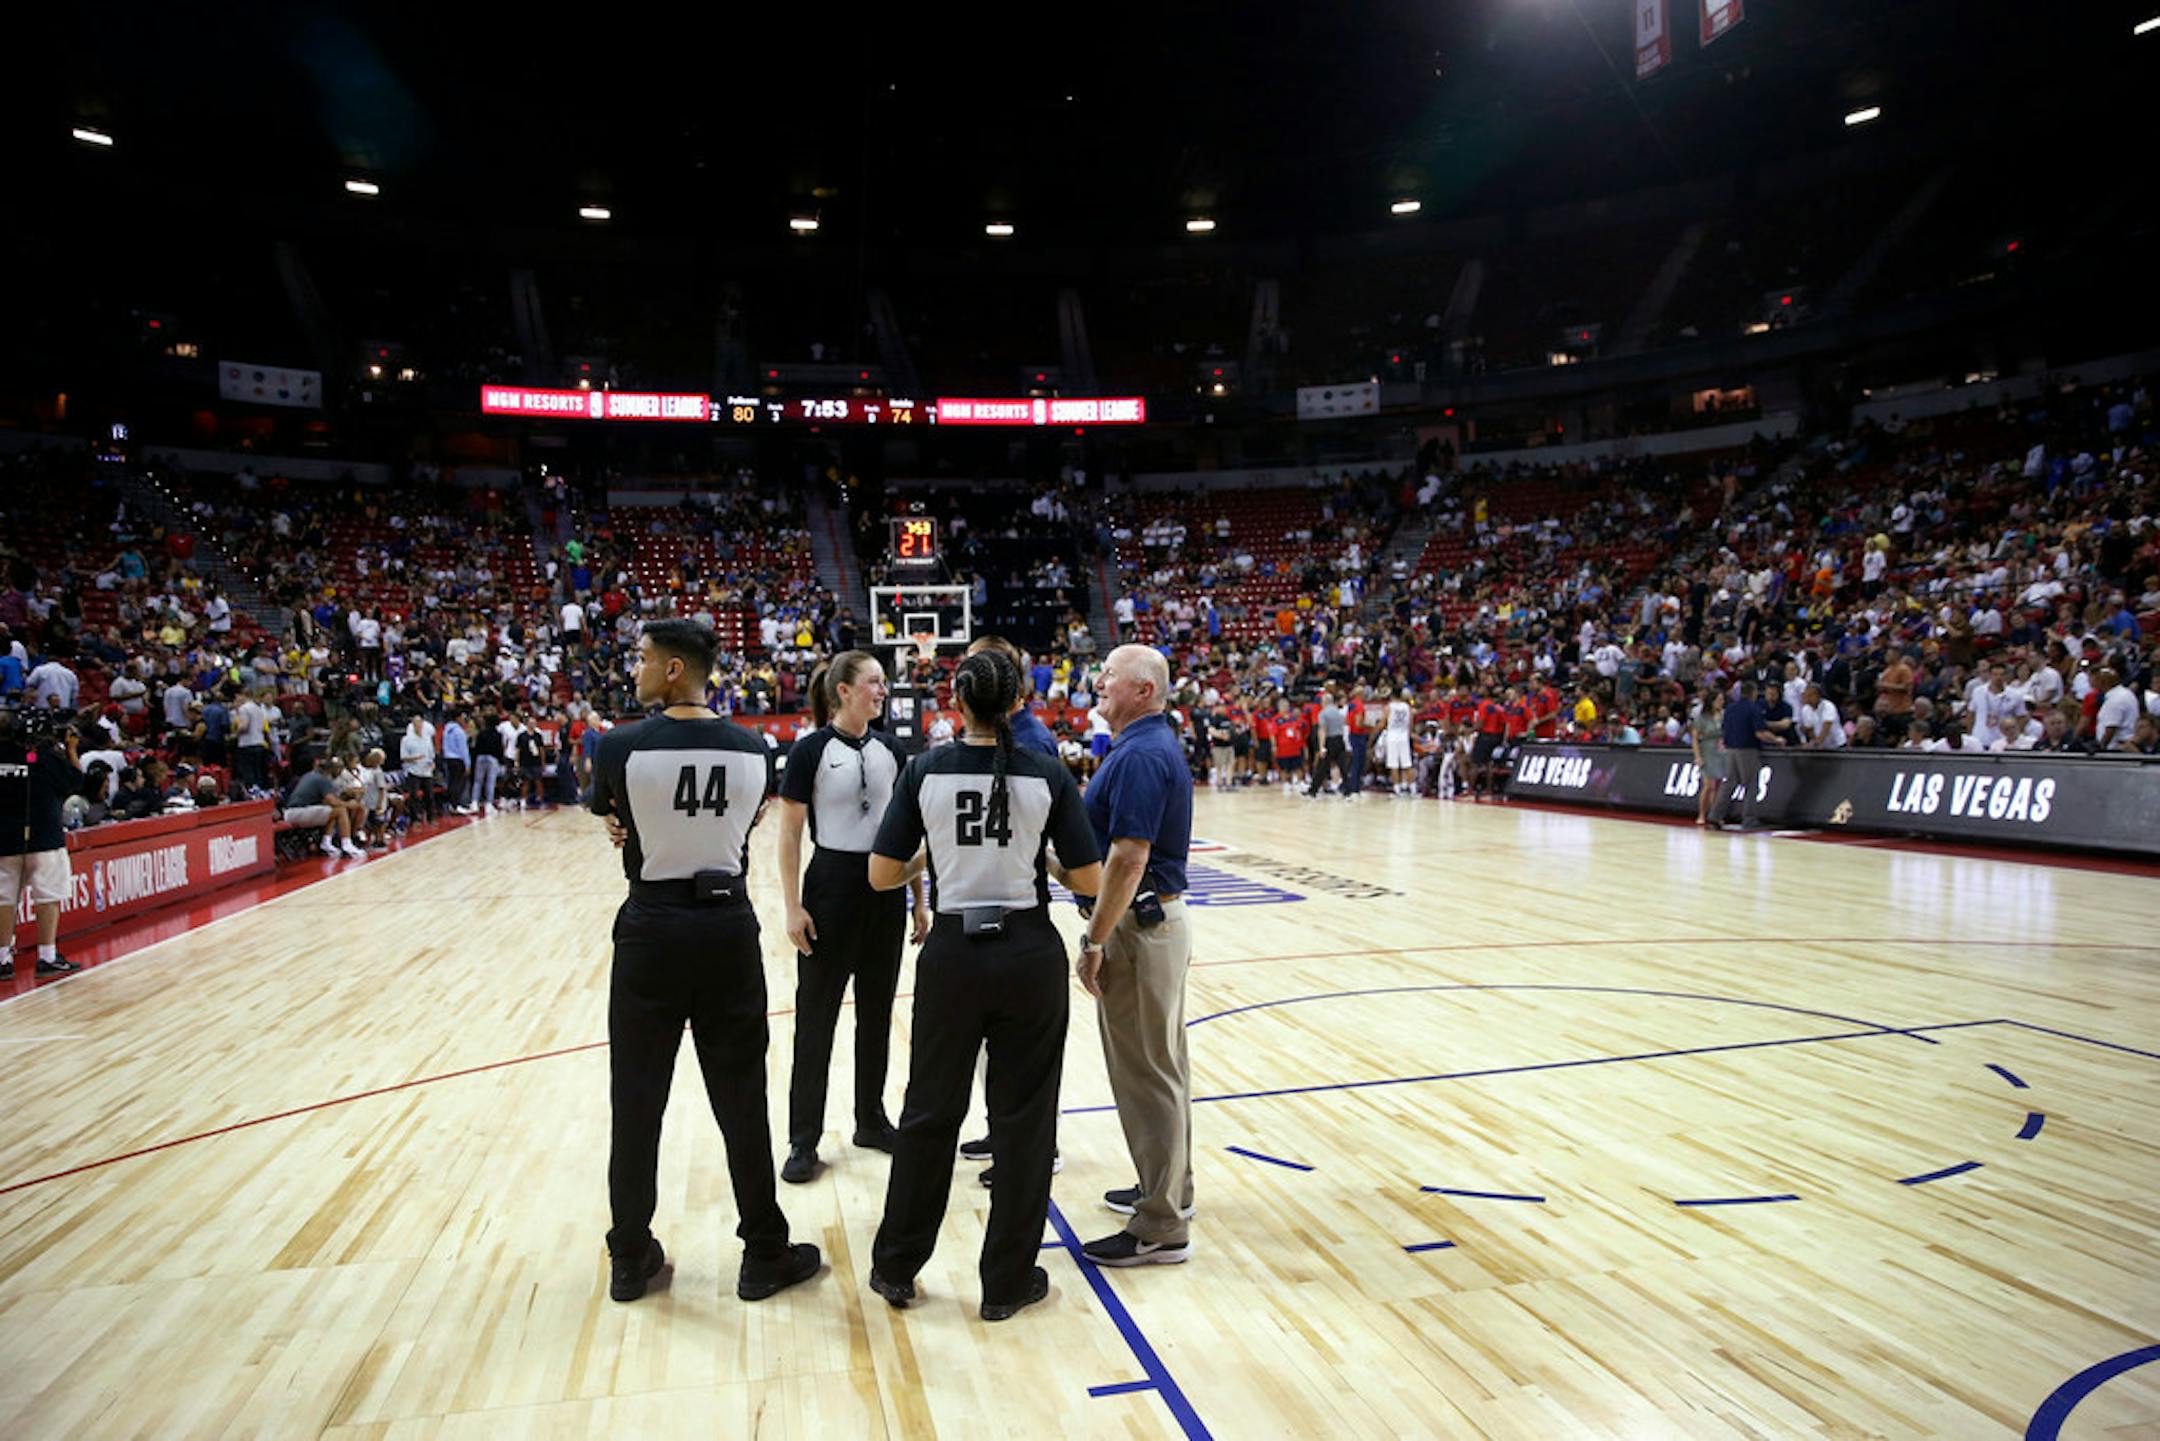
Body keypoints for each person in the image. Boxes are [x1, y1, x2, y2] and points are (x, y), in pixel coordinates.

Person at [864, 649, 1103, 1321]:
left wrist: (937, 854)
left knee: (929, 1113)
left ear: (956, 700)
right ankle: (1005, 1283)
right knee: (1024, 1123)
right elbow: (1089, 880)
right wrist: (1038, 858)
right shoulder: (1048, 774)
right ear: (1019, 700)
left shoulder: (924, 770)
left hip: (951, 957)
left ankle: (896, 1266)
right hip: (1029, 954)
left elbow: (882, 876)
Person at [588, 619, 822, 1305]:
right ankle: (763, 1252)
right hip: (725, 926)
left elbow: (613, 816)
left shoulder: (620, 745)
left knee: (636, 1099)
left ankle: (630, 1255)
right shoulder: (754, 747)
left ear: (671, 670)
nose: (634, 667)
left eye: (642, 657)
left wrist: (625, 822)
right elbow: (743, 823)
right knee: (742, 1096)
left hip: (651, 928)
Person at [776, 650, 927, 1184]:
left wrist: (920, 900)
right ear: (844, 691)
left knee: (877, 1015)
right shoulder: (810, 750)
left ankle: (871, 1120)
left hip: (884, 891)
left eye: (883, 683)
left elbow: (910, 832)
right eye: (873, 683)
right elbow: (790, 833)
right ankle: (802, 1138)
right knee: (816, 1021)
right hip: (830, 889)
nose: (882, 691)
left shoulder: (893, 748)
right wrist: (792, 905)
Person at [1070, 644, 1198, 1268]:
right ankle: (1169, 1190)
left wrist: (1095, 939)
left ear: (1143, 691)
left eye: (1110, 676)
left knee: (1147, 1075)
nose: (1098, 682)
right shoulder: (1141, 746)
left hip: (1140, 930)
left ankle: (1161, 1226)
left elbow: (1128, 857)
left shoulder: (1144, 754)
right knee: (1163, 1068)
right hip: (1154, 925)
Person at [0, 709, 86, 979]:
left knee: (4, 898)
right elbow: (76, 782)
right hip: (45, 838)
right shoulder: (48, 758)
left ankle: (2, 958)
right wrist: (71, 750)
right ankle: (47, 956)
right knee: (47, 896)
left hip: (4, 839)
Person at [1714, 681, 1777, 830]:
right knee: (1750, 784)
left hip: (1730, 749)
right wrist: (1777, 739)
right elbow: (1760, 733)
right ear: (1753, 693)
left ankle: (1715, 816)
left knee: (1728, 784)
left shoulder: (1729, 709)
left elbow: (1723, 731)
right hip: (1747, 749)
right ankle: (1749, 819)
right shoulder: (1753, 709)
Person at [1689, 687, 1725, 828]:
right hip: (1707, 751)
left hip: (1720, 752)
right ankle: (1702, 813)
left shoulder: (1723, 715)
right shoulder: (1701, 718)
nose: (1722, 702)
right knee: (1708, 785)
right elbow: (1695, 738)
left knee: (1718, 785)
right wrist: (1697, 756)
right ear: (1712, 701)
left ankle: (1715, 814)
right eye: (1719, 700)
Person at [1305, 688, 1349, 800]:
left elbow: (1322, 730)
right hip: (1340, 740)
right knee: (1343, 766)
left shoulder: (1323, 714)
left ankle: (1312, 791)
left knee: (1322, 767)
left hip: (1329, 741)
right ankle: (1349, 791)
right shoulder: (1339, 713)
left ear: (1323, 702)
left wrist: (1321, 747)